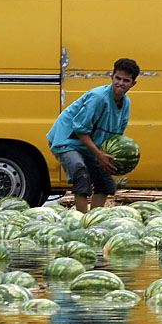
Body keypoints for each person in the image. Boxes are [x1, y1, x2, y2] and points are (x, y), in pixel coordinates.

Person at [46, 58, 139, 213]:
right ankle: (82, 221)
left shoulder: (126, 103)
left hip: (91, 145)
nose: (120, 83)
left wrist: (108, 156)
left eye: (126, 80)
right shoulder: (98, 98)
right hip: (67, 140)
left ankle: (94, 218)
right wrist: (98, 154)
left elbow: (116, 137)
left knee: (106, 182)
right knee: (81, 173)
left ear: (133, 83)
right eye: (118, 78)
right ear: (112, 76)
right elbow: (80, 129)